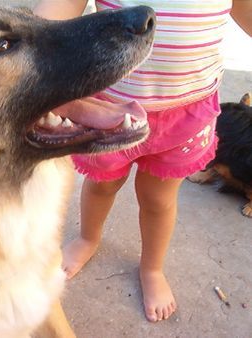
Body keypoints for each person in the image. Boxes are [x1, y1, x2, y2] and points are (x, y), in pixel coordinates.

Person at [34, 0, 252, 322]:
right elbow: (48, 17)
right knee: (101, 185)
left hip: (185, 115)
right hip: (109, 110)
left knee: (159, 199)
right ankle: (88, 238)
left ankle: (152, 268)